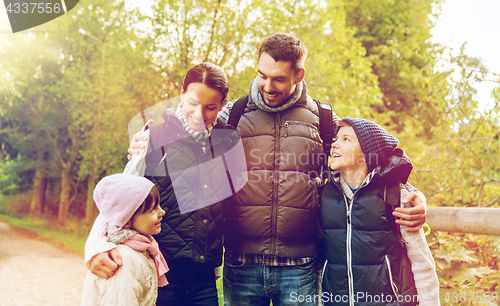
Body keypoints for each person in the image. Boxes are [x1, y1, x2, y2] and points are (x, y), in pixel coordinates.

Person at [126, 33, 427, 306]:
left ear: (299, 75)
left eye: (279, 79)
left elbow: (366, 160)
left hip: (301, 267)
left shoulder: (322, 118)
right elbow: (188, 136)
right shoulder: (232, 114)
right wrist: (144, 142)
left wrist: (411, 194)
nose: (267, 87)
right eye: (262, 75)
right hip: (241, 263)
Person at [85, 63, 245, 306]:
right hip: (162, 274)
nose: (199, 114)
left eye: (210, 107)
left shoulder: (228, 142)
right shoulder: (154, 138)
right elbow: (118, 204)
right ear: (181, 94)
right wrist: (95, 247)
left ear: (223, 104)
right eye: (192, 103)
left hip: (204, 278)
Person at [321, 118, 440, 306]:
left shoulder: (395, 196)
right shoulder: (325, 194)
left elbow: (421, 263)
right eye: (335, 139)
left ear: (367, 153)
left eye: (346, 140)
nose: (334, 144)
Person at [81, 173, 168, 306]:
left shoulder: (140, 250)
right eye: (153, 210)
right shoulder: (123, 260)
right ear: (126, 220)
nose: (162, 212)